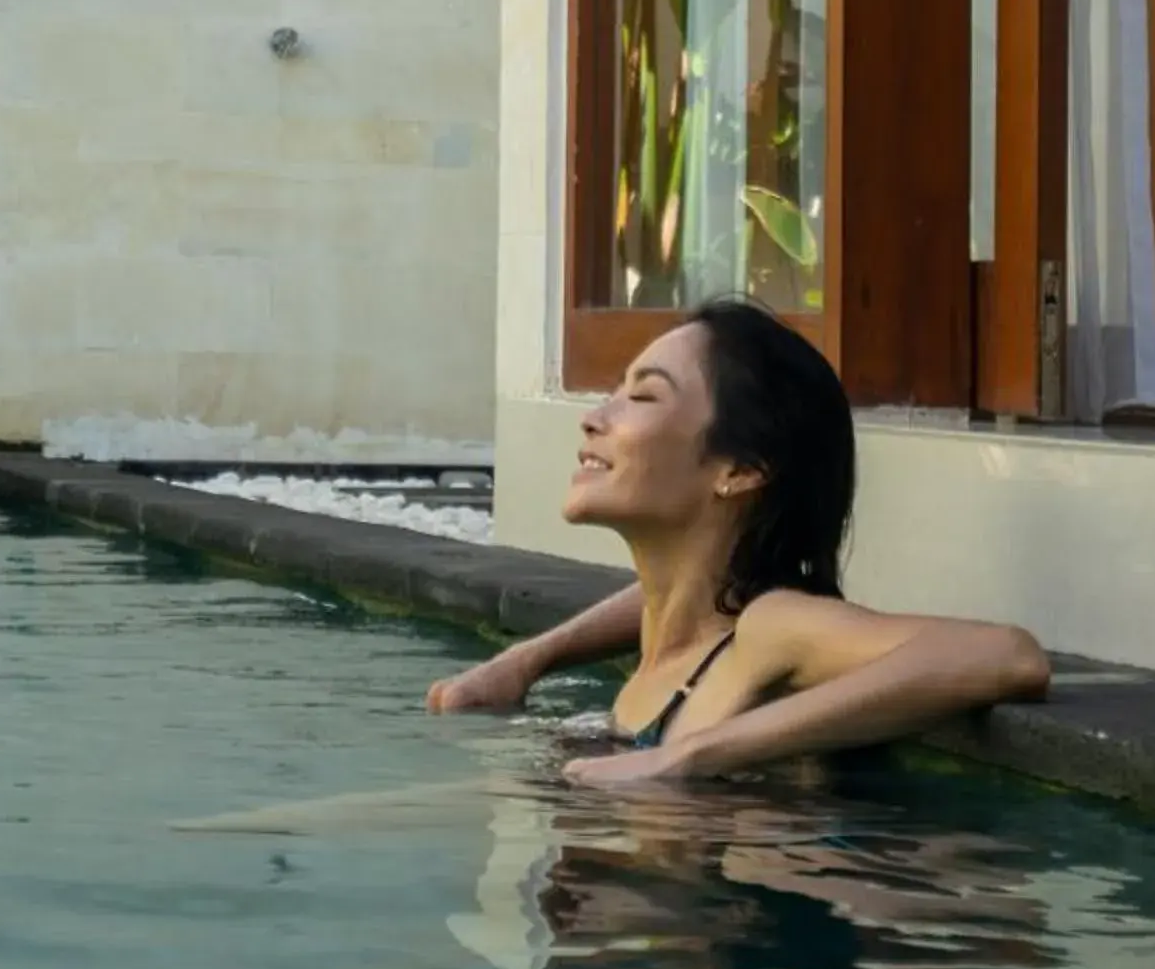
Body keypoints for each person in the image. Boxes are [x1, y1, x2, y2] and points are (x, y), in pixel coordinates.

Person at [427, 299, 1052, 786]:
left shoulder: (770, 628)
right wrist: (525, 661)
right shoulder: (675, 626)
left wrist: (691, 757)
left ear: (739, 470)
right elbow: (663, 600)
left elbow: (1007, 655)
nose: (596, 416)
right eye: (617, 390)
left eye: (643, 396)